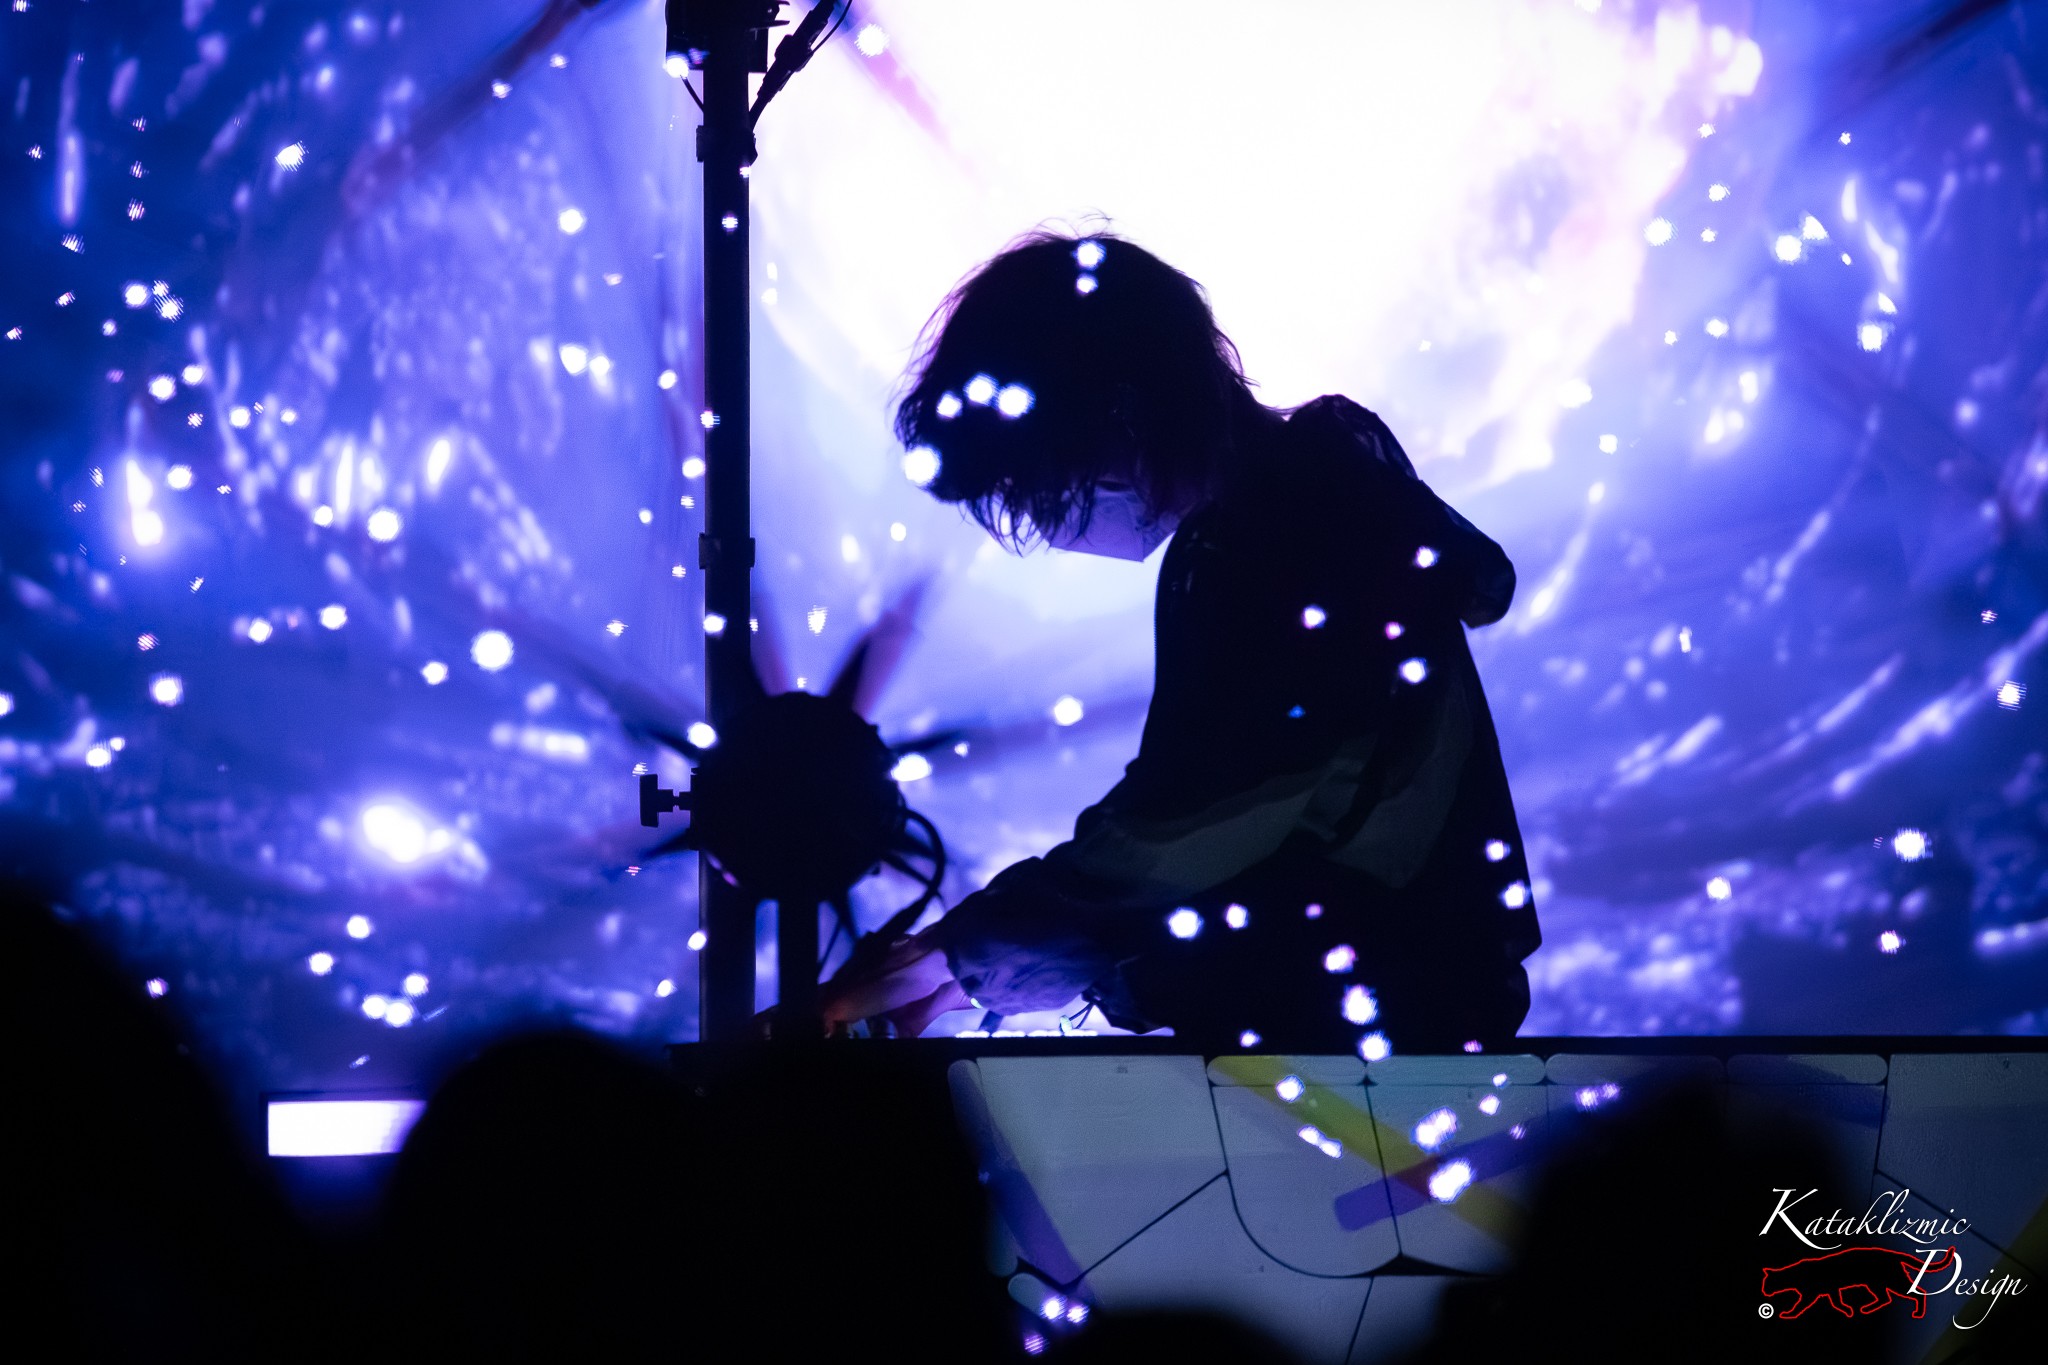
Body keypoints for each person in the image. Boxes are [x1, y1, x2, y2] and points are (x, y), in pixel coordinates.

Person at [822, 230, 1540, 1054]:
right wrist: (972, 964)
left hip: (1361, 1041)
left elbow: (1189, 828)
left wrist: (965, 955)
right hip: (1405, 1014)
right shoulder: (1327, 496)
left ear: (1115, 412)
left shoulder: (1267, 535)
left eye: (1039, 481)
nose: (1048, 517)